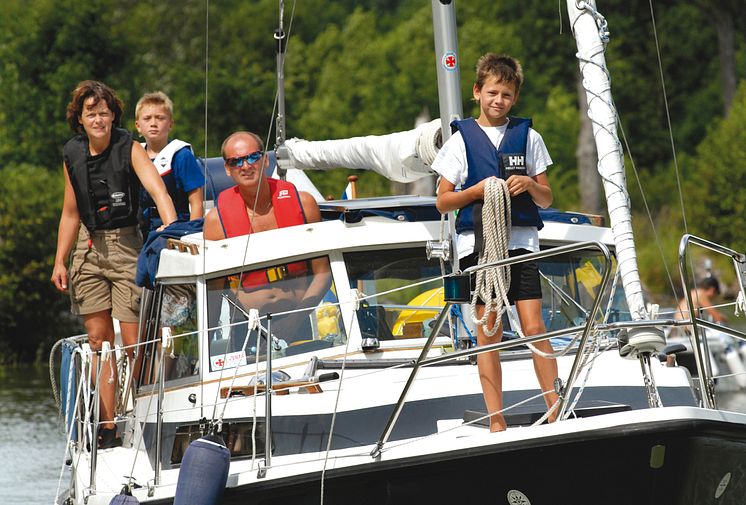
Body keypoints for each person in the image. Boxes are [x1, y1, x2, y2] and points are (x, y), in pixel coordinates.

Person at [432, 53, 559, 432]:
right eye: (491, 92)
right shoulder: (460, 142)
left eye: (505, 94)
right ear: (477, 92)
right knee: (490, 332)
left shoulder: (530, 138)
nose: (498, 100)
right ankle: (496, 418)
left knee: (535, 326)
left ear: (515, 97)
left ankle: (554, 406)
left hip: (521, 243)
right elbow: (442, 200)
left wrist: (531, 185)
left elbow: (547, 198)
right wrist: (475, 191)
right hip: (481, 247)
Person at [51, 80, 177, 449]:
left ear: (113, 116)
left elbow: (158, 191)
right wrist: (60, 260)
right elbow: (71, 212)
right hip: (88, 249)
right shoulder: (71, 153)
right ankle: (109, 425)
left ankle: (138, 411)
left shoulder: (130, 147)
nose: (98, 118)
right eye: (91, 112)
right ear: (80, 118)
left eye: (104, 112)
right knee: (98, 342)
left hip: (126, 247)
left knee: (134, 342)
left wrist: (169, 231)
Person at [203, 131, 331, 344]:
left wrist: (293, 322)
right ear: (227, 169)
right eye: (236, 161)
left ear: (266, 160)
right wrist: (203, 346)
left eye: (252, 157)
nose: (245, 166)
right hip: (249, 331)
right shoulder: (216, 222)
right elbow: (214, 293)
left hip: (298, 322)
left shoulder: (304, 204)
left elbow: (323, 273)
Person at [134, 91, 205, 234]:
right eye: (147, 118)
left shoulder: (181, 155)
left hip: (176, 226)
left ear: (170, 124)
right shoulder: (134, 154)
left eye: (160, 118)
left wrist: (191, 234)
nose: (153, 123)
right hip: (140, 230)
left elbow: (196, 202)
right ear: (138, 126)